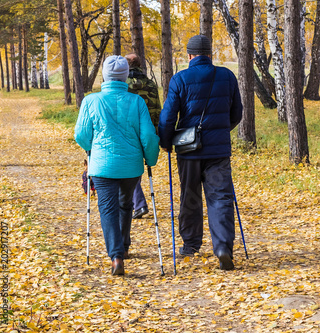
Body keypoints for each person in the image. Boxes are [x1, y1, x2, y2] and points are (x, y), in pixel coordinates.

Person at [158, 35, 243, 271]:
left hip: (188, 151)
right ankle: (223, 247)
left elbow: (167, 117)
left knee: (190, 196)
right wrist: (220, 132)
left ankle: (191, 244)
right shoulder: (226, 76)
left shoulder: (180, 79)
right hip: (218, 152)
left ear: (189, 55)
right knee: (221, 198)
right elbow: (237, 113)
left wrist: (166, 142)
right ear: (209, 54)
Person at [74, 55, 159, 276]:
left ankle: (116, 256)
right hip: (131, 166)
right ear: (124, 76)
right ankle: (125, 246)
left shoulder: (91, 101)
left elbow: (81, 135)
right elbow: (149, 136)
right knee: (125, 204)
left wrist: (91, 148)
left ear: (105, 75)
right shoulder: (137, 101)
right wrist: (151, 159)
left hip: (102, 166)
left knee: (108, 208)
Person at [124, 53, 162, 220]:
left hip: (128, 132)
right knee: (135, 168)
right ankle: (138, 203)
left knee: (129, 170)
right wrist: (157, 132)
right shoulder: (151, 84)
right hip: (148, 132)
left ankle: (138, 204)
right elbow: (157, 109)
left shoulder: (123, 84)